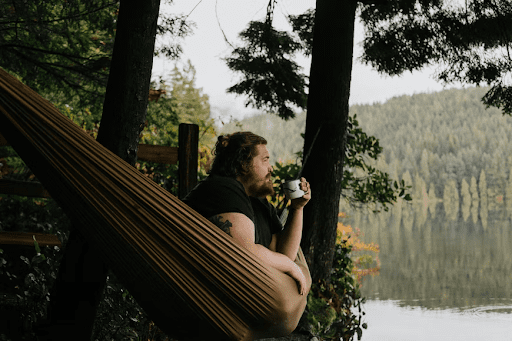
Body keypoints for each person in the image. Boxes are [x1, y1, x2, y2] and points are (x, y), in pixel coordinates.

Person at [182, 131, 311, 295]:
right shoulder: (223, 188)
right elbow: (245, 253)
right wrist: (290, 265)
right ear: (243, 164)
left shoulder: (258, 202)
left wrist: (297, 208)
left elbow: (284, 253)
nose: (271, 168)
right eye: (265, 160)